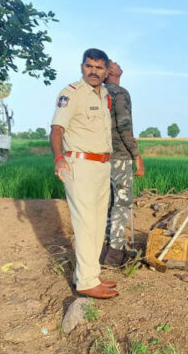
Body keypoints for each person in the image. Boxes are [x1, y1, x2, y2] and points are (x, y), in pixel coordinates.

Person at [50, 48, 118, 299]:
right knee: (85, 223)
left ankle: (89, 275)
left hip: (101, 165)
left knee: (98, 223)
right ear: (82, 67)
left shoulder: (104, 96)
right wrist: (59, 159)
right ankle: (86, 282)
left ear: (106, 70)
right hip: (79, 165)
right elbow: (57, 129)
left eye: (99, 67)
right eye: (89, 66)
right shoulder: (71, 93)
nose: (93, 71)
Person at [101, 60, 145, 267]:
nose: (119, 65)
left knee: (106, 203)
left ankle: (103, 249)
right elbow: (124, 126)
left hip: (100, 157)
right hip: (119, 155)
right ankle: (115, 254)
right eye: (115, 63)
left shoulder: (97, 92)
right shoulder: (119, 93)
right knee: (122, 202)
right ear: (110, 71)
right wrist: (136, 155)